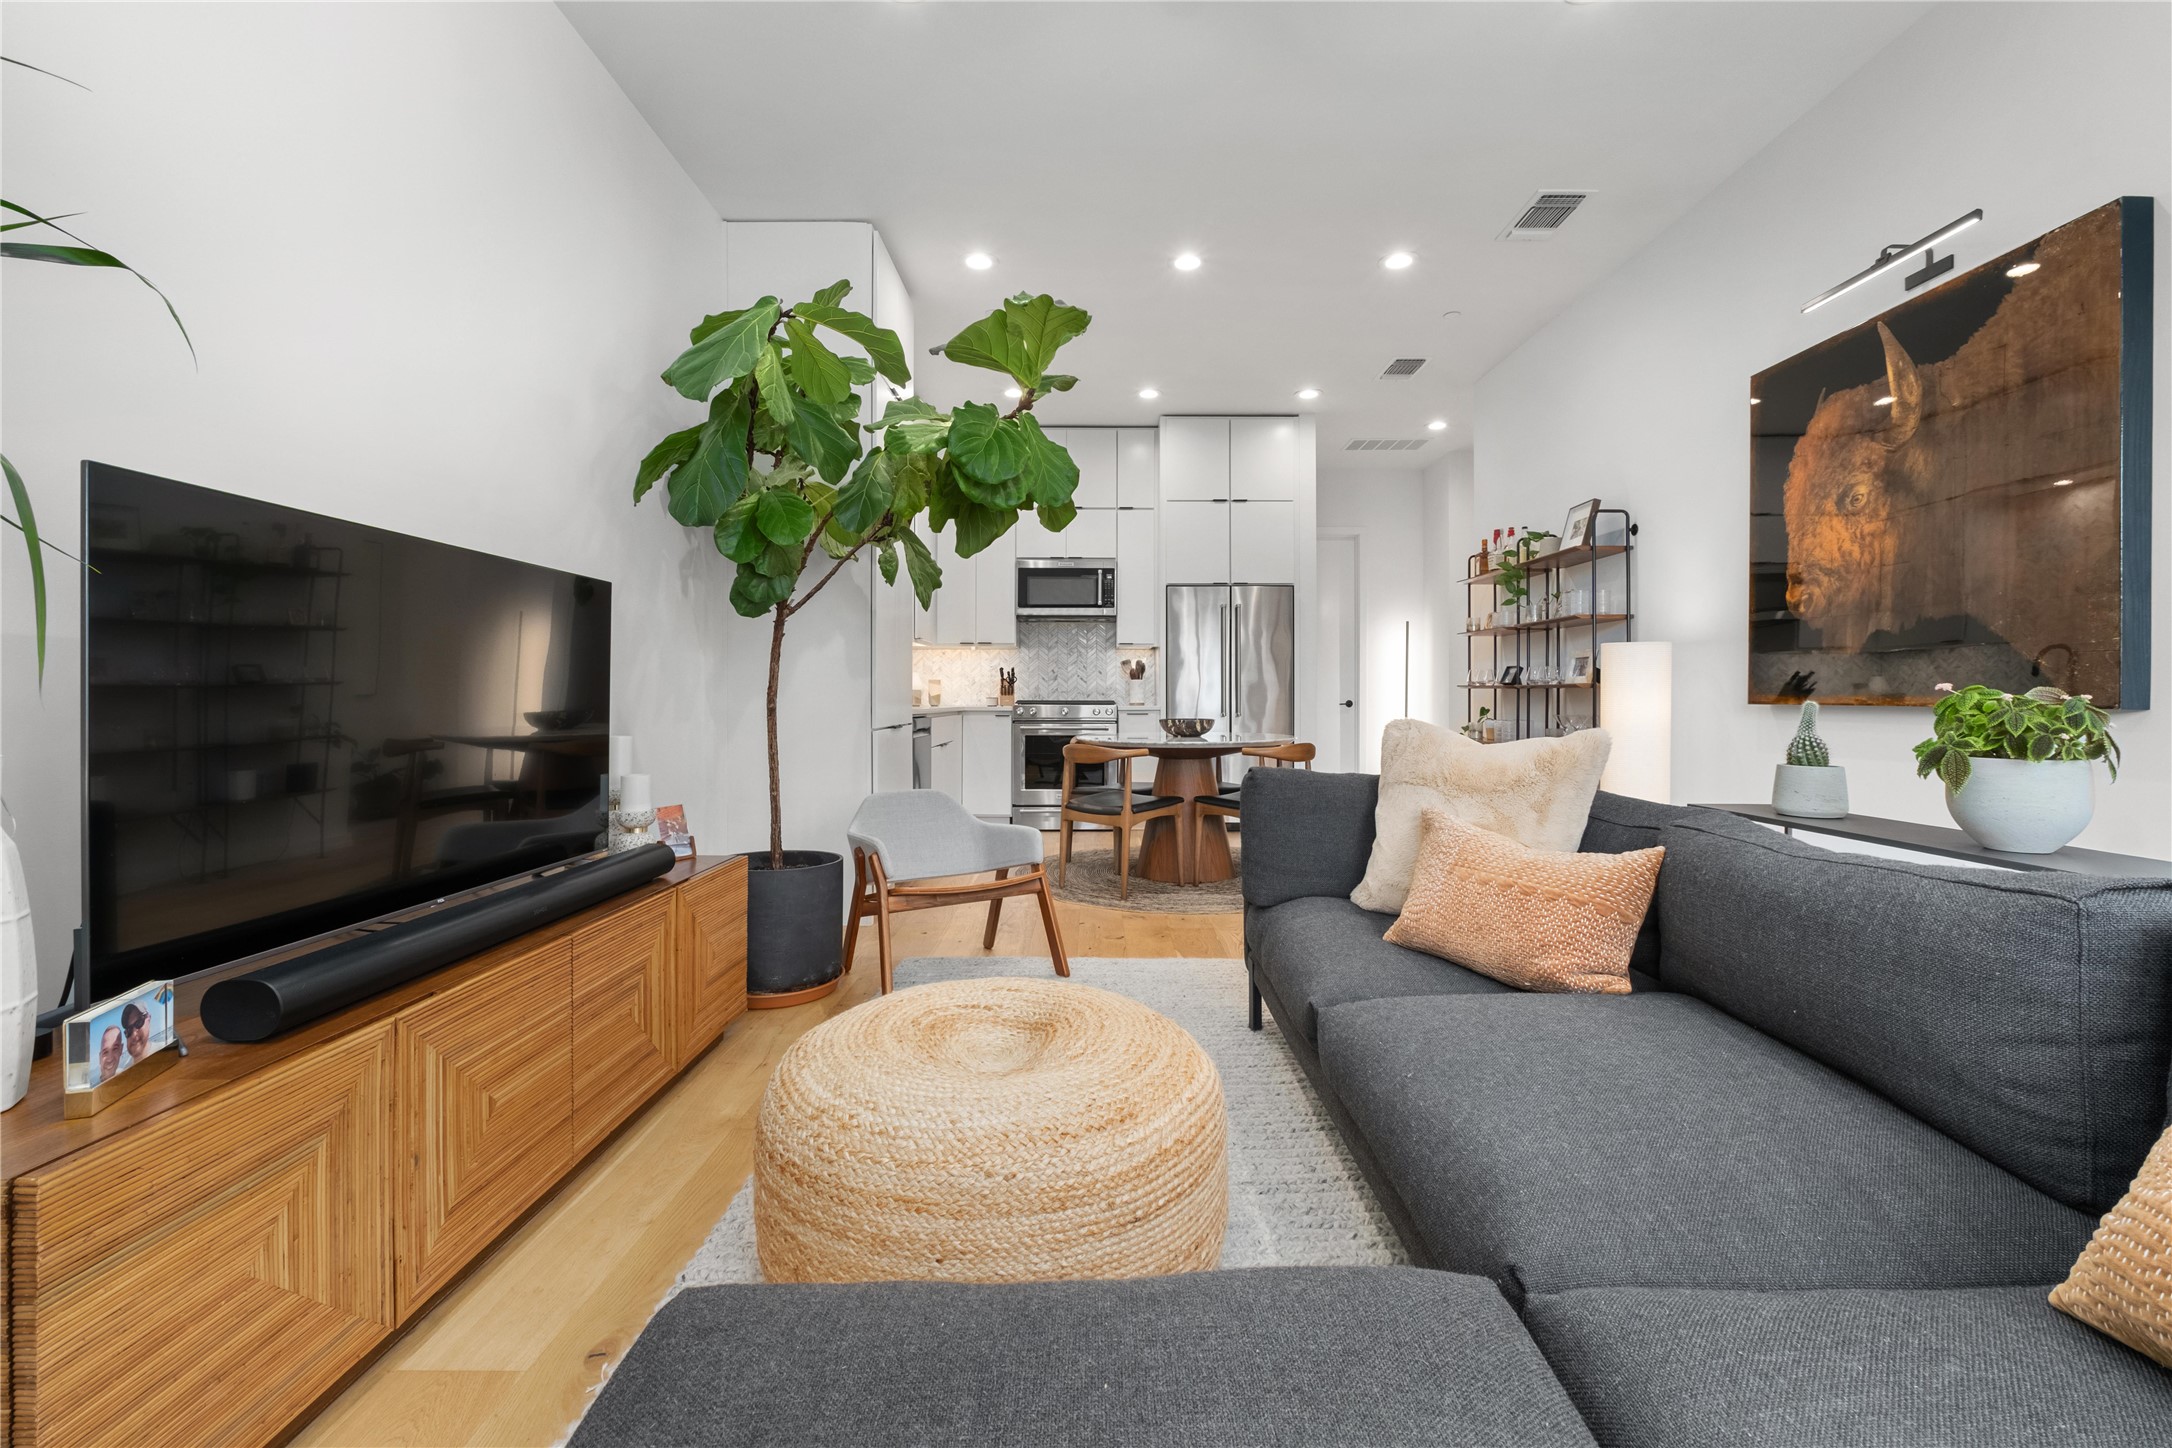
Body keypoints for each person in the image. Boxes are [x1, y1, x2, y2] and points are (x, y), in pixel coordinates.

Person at [121, 1001, 153, 1068]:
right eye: (129, 1030)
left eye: (139, 1023)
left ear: (149, 1019)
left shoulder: (165, 1052)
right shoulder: (125, 1070)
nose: (133, 1035)